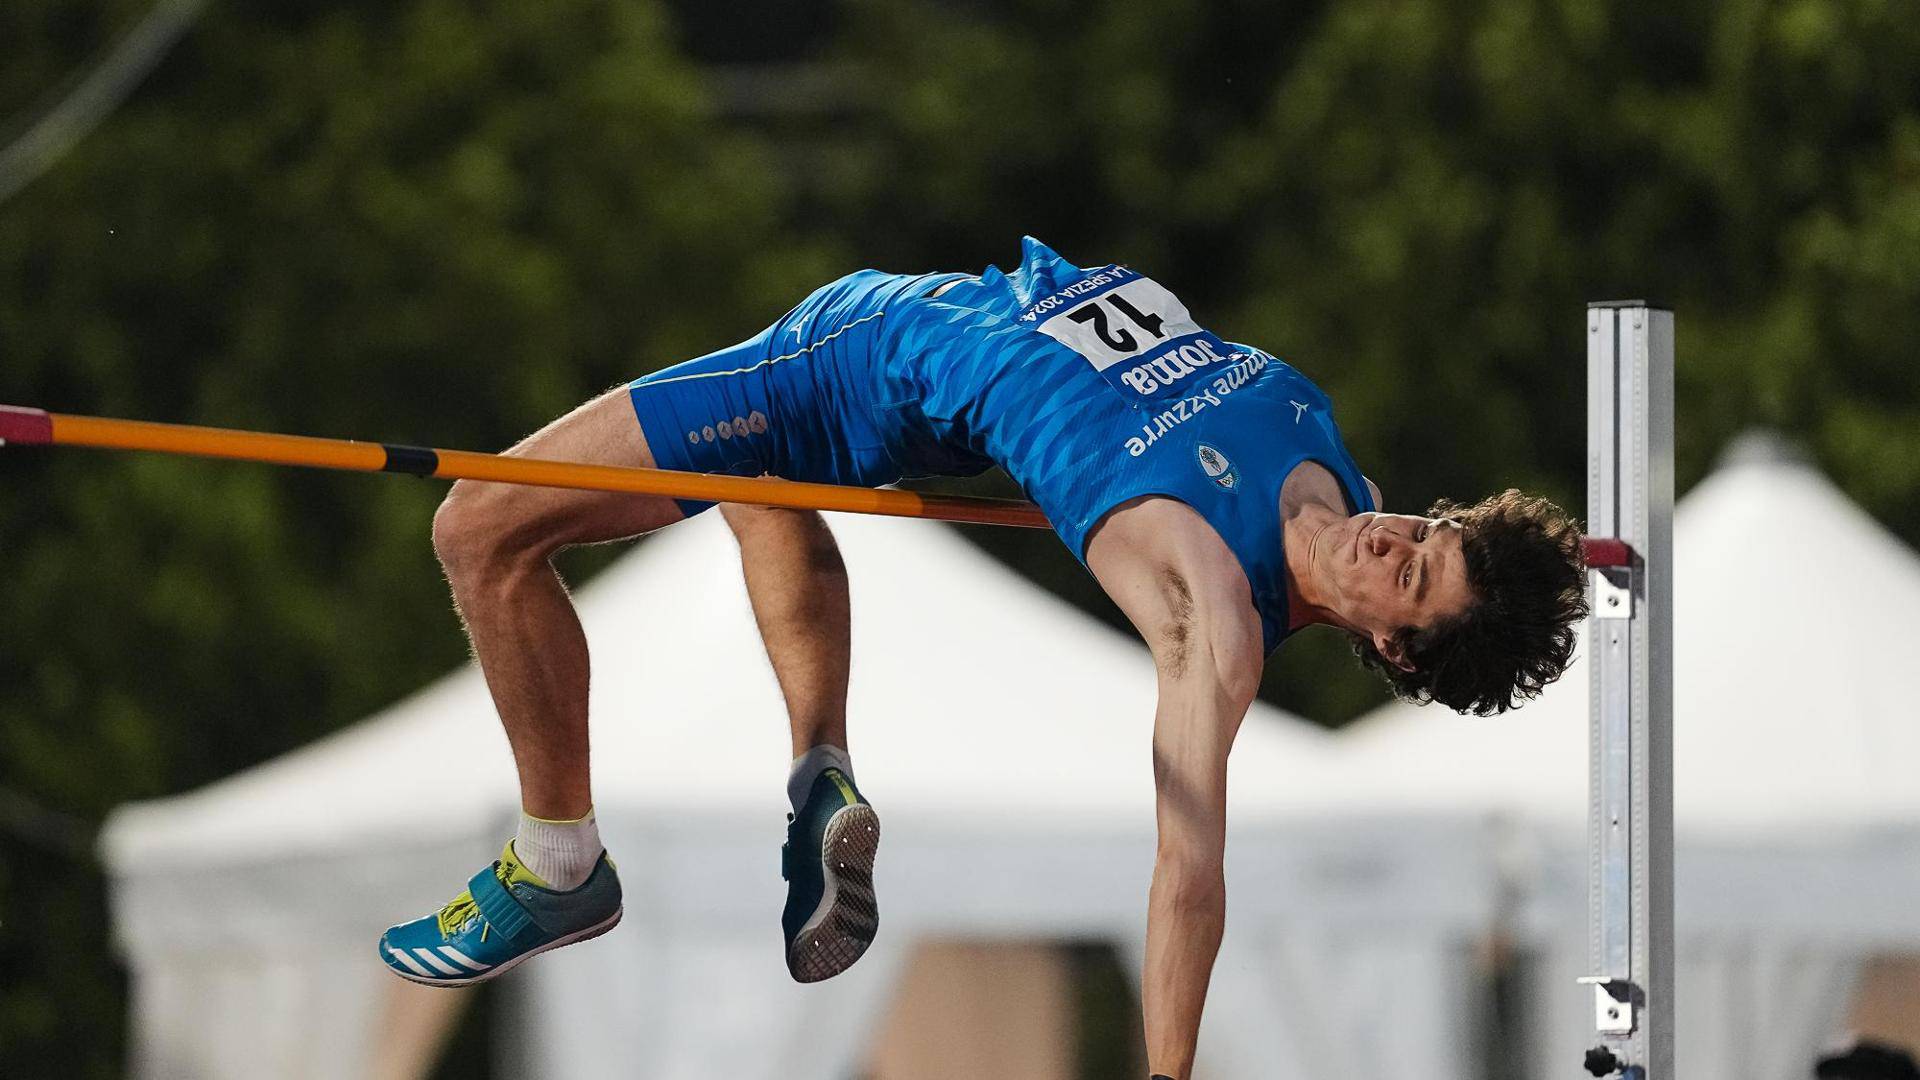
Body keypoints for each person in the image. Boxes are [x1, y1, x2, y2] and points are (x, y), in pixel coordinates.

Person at [376, 237, 1588, 1078]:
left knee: (476, 529)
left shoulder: (1209, 620)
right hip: (932, 336)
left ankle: (557, 859)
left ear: (1392, 644)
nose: (1398, 538)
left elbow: (1189, 875)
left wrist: (1167, 1073)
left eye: (1414, 575)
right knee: (752, 491)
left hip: (856, 359)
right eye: (1429, 530)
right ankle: (818, 785)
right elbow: (1420, 549)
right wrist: (1536, 557)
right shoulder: (1336, 470)